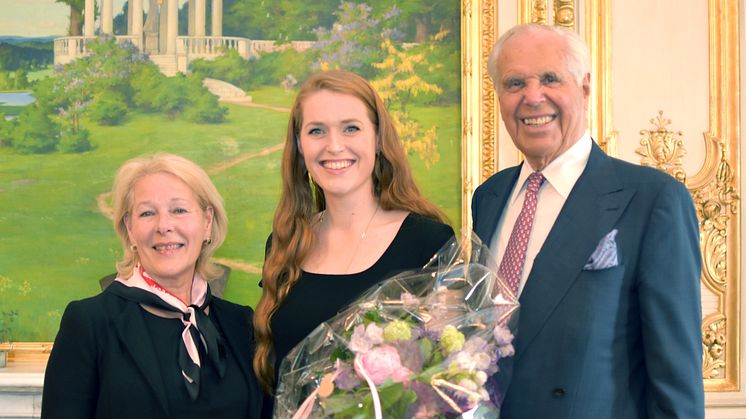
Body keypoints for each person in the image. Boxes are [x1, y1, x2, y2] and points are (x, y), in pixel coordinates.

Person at [471, 24, 704, 418]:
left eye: (549, 78)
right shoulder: (489, 198)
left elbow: (675, 380)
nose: (532, 97)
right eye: (514, 83)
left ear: (584, 88)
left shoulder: (653, 199)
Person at [253, 69, 455, 417]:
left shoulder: (430, 243)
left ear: (378, 139)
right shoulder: (284, 245)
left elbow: (449, 381)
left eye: (351, 128)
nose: (334, 146)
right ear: (300, 146)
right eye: (317, 131)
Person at [42, 154, 262, 419]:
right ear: (130, 229)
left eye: (179, 210)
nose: (164, 226)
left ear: (206, 222)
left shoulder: (242, 324)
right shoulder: (89, 324)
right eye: (147, 213)